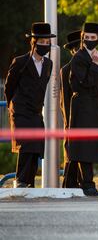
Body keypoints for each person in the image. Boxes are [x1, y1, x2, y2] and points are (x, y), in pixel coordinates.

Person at [4, 22, 55, 188]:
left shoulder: (48, 64)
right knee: (26, 146)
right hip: (21, 111)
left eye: (47, 42)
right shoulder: (20, 62)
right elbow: (9, 86)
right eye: (42, 42)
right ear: (33, 42)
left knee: (37, 147)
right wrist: (14, 106)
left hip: (35, 112)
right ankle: (21, 181)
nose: (45, 45)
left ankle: (29, 183)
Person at [67, 22, 98, 197]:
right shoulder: (79, 57)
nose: (90, 40)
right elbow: (85, 82)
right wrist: (94, 63)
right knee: (84, 147)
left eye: (94, 37)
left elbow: (97, 90)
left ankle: (87, 183)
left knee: (92, 146)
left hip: (93, 107)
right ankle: (87, 184)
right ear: (83, 38)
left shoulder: (93, 56)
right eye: (87, 37)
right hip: (82, 108)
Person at [60, 30, 82, 188]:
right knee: (72, 153)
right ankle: (69, 183)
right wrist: (69, 122)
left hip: (85, 118)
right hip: (72, 118)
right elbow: (64, 100)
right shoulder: (66, 70)